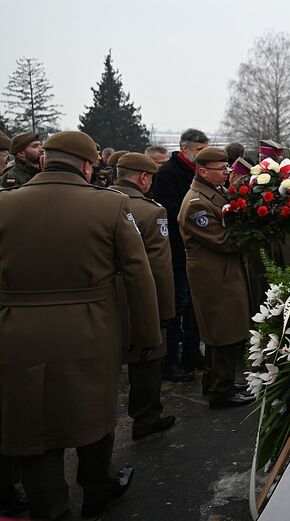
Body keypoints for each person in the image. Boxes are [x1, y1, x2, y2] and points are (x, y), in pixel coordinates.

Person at [0, 131, 160, 520]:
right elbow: (138, 274)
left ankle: (50, 507)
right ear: (89, 165)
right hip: (90, 328)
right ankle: (97, 486)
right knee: (93, 410)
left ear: (43, 160)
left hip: (14, 331)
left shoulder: (3, 204)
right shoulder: (110, 205)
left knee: (31, 426)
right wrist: (147, 336)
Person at [178, 147, 254, 409]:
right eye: (222, 169)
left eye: (227, 167)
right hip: (214, 276)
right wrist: (253, 231)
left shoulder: (212, 194)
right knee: (222, 332)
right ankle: (221, 391)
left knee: (223, 329)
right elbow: (222, 240)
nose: (227, 172)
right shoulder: (197, 203)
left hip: (223, 272)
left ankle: (218, 383)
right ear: (203, 171)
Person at [114, 153, 178, 441]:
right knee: (148, 357)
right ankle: (146, 416)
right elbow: (159, 267)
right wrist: (165, 310)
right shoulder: (151, 210)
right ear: (143, 178)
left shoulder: (100, 200)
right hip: (141, 296)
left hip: (104, 299)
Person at [150, 128, 210, 382]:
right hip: (176, 250)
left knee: (194, 307)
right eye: (199, 151)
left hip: (194, 251)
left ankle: (191, 353)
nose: (202, 156)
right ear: (184, 148)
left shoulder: (198, 172)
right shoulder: (168, 174)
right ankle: (171, 360)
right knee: (178, 305)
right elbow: (170, 210)